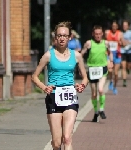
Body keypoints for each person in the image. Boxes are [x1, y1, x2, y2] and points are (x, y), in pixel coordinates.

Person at [31, 21, 88, 150]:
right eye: (59, 35)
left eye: (64, 35)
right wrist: (44, 87)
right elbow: (34, 76)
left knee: (67, 138)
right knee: (57, 143)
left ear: (69, 37)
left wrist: (82, 85)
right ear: (55, 37)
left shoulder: (77, 56)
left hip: (70, 97)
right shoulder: (48, 56)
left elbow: (85, 77)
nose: (62, 38)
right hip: (53, 98)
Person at [81, 25, 113, 122]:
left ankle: (102, 109)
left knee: (100, 89)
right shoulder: (89, 43)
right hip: (92, 70)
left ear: (102, 34)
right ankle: (95, 112)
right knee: (94, 93)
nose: (98, 36)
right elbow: (82, 53)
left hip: (102, 68)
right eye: (96, 34)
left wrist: (111, 61)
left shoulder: (106, 43)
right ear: (93, 34)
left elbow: (110, 53)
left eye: (99, 34)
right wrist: (79, 61)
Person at [105, 20, 124, 94]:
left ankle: (115, 87)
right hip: (109, 54)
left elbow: (123, 43)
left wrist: (120, 43)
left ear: (117, 26)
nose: (114, 27)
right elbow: (104, 41)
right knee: (110, 70)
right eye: (113, 26)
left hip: (117, 55)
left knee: (116, 73)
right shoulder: (107, 32)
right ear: (111, 26)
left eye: (115, 26)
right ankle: (111, 81)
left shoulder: (120, 33)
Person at [121, 20, 131, 86]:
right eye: (123, 25)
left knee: (128, 66)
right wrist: (121, 43)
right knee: (123, 66)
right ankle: (124, 81)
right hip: (122, 51)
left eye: (126, 25)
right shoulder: (120, 33)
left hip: (129, 51)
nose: (124, 26)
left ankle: (128, 69)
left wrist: (128, 43)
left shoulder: (130, 33)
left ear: (128, 26)